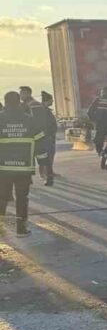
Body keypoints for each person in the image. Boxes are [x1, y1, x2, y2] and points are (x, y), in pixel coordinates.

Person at [0, 91, 48, 236]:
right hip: (24, 167)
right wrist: (43, 163)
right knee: (22, 198)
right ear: (19, 102)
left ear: (5, 102)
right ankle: (21, 229)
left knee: (2, 197)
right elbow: (40, 143)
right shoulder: (30, 120)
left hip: (3, 168)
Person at [19, 86, 55, 185]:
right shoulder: (36, 104)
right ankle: (47, 177)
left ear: (27, 93)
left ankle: (46, 177)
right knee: (43, 158)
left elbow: (36, 122)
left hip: (34, 137)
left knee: (36, 158)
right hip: (39, 137)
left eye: (22, 93)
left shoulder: (33, 105)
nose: (20, 95)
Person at [87, 87, 107, 166]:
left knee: (98, 142)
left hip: (100, 125)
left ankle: (101, 154)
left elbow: (89, 112)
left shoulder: (97, 100)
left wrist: (95, 119)